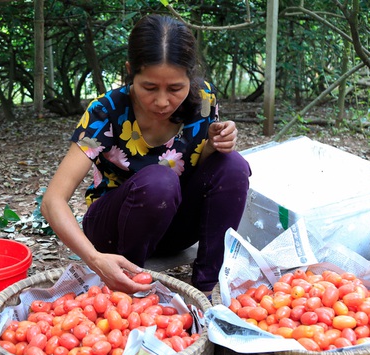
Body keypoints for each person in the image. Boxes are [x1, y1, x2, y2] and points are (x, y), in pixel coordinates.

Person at [41, 14, 251, 295]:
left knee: (233, 165)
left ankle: (208, 289)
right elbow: (53, 200)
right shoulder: (106, 113)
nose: (163, 101)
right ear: (131, 72)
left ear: (191, 76)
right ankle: (129, 288)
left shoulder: (203, 100)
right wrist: (95, 259)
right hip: (112, 231)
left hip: (173, 225)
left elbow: (200, 172)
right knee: (159, 181)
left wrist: (214, 146)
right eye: (149, 88)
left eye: (176, 88)